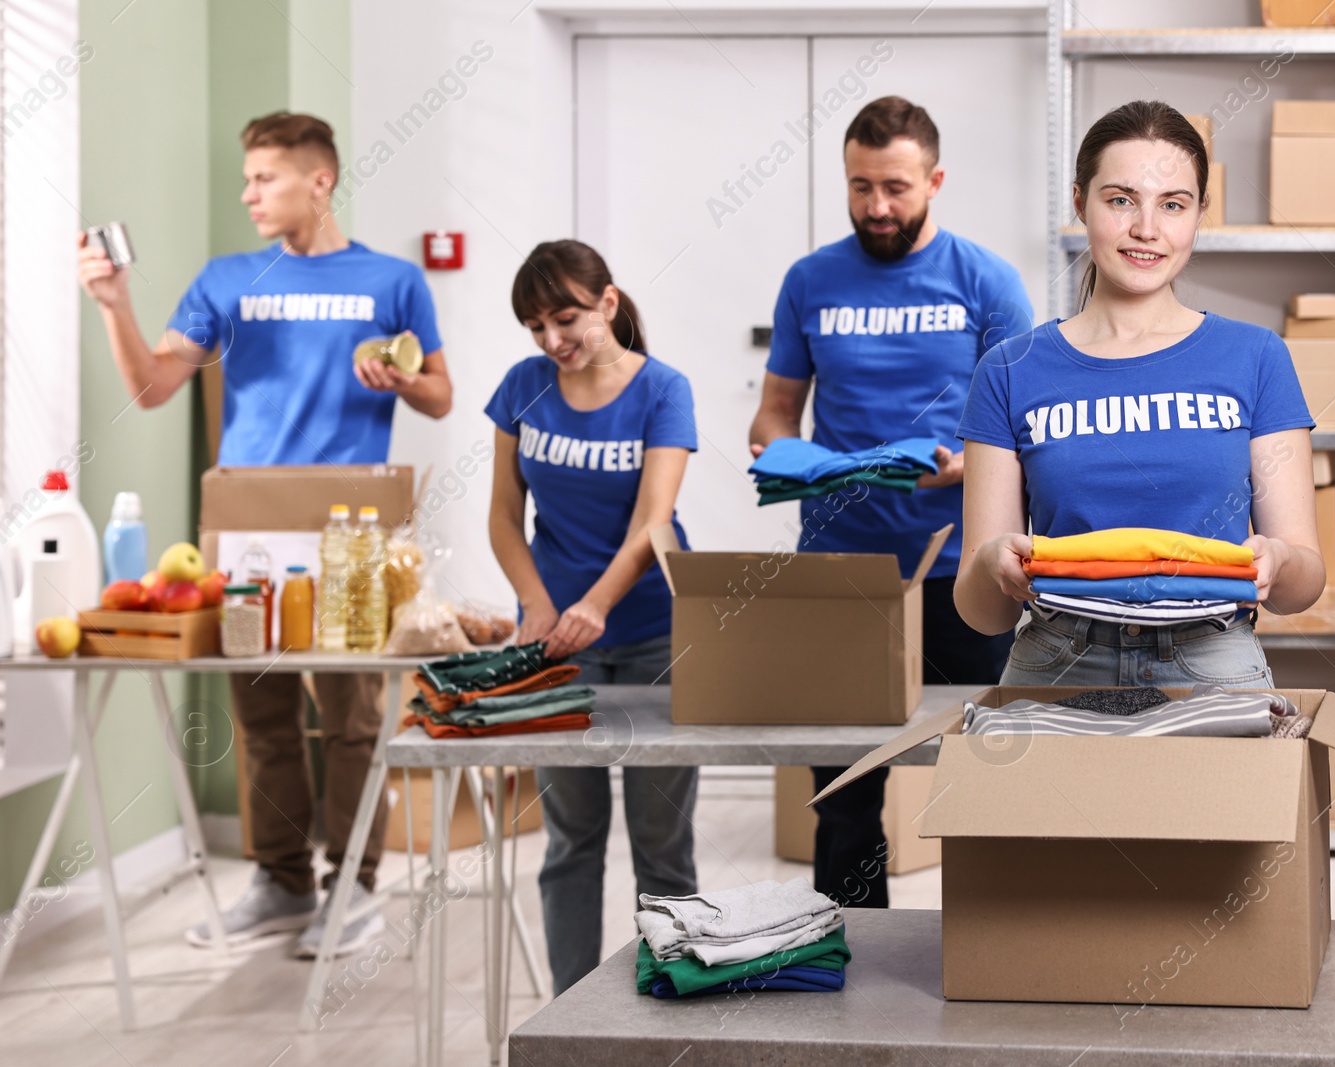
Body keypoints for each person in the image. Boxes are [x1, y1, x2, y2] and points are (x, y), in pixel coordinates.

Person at [77, 112, 453, 958]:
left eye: (265, 178)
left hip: (350, 529)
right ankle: (282, 881)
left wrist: (399, 373)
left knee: (352, 716)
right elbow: (151, 387)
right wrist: (115, 305)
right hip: (245, 527)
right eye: (247, 178)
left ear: (319, 180)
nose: (248, 193)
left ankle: (352, 888)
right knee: (262, 711)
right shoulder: (226, 279)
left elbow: (440, 394)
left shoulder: (393, 281)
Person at [748, 96, 1033, 909]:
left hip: (962, 569)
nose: (877, 207)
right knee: (841, 790)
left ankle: (993, 944)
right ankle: (848, 959)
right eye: (860, 186)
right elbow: (776, 407)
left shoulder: (986, 280)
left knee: (983, 767)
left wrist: (971, 462)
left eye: (897, 188)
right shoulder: (809, 280)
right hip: (840, 569)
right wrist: (775, 444)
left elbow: (1029, 422)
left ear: (935, 181)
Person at [955, 99, 1325, 690]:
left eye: (1172, 205)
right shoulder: (1008, 369)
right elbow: (983, 612)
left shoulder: (1256, 357)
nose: (1146, 229)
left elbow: (1303, 585)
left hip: (1212, 662)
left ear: (1200, 213)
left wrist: (1277, 564)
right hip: (1058, 663)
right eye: (1121, 199)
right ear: (1081, 202)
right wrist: (992, 562)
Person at [485, 239, 699, 995]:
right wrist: (540, 605)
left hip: (653, 636)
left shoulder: (664, 391)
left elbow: (654, 524)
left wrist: (596, 605)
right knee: (571, 840)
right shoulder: (522, 387)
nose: (552, 341)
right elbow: (504, 519)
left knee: (662, 843)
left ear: (607, 303)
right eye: (536, 326)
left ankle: (673, 1000)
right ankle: (571, 1013)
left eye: (566, 318)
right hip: (555, 641)